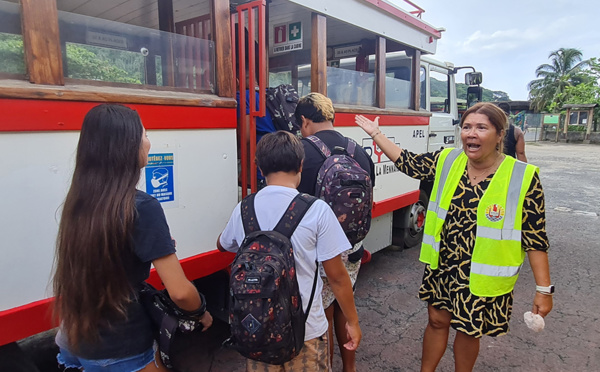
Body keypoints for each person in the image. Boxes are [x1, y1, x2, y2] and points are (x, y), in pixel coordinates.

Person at [355, 102, 553, 372]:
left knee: (469, 330)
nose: (471, 134)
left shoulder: (522, 177)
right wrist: (377, 135)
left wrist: (544, 290)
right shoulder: (449, 160)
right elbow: (410, 163)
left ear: (499, 134)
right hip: (445, 265)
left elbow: (535, 238)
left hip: (482, 273)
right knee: (436, 321)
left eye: (481, 128)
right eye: (467, 127)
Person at [53, 104, 212, 372]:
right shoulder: (141, 206)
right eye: (145, 133)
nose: (148, 141)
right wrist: (200, 312)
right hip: (120, 347)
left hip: (73, 336)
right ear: (127, 146)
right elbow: (181, 291)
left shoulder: (79, 199)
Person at [217, 131, 362, 371]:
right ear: (300, 164)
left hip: (257, 329)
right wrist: (353, 323)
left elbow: (223, 245)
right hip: (306, 332)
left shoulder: (244, 208)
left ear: (259, 168)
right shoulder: (317, 210)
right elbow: (336, 277)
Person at [295, 92, 375, 372]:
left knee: (323, 311)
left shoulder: (300, 151)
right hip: (351, 244)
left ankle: (325, 366)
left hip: (318, 250)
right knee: (345, 303)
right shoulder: (358, 151)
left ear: (305, 121)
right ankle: (349, 368)